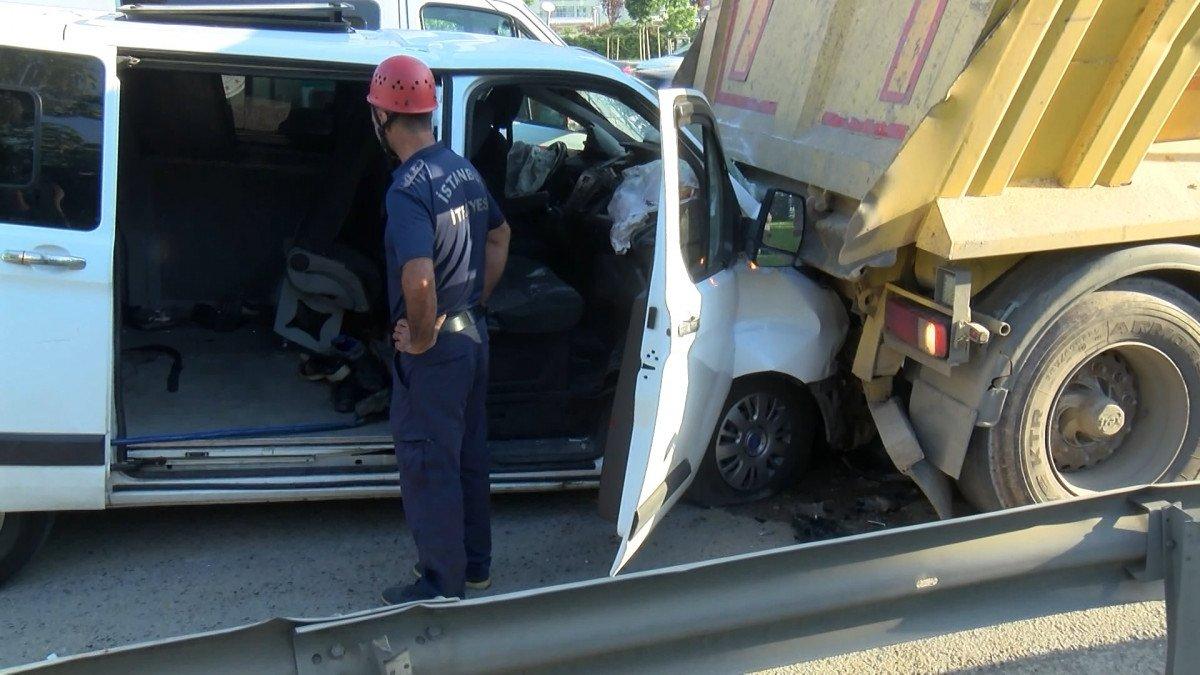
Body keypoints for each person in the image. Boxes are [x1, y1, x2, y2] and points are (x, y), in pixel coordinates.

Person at [367, 54, 511, 604]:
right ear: (429, 110)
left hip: (439, 353)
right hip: (473, 338)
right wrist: (474, 300)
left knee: (430, 466)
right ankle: (474, 569)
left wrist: (424, 336)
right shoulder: (461, 169)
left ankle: (440, 588)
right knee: (468, 460)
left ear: (383, 116)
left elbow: (420, 278)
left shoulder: (408, 188)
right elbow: (500, 236)